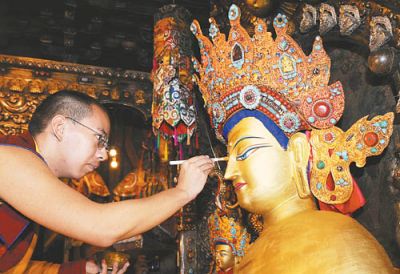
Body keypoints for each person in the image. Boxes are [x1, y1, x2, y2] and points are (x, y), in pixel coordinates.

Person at [192, 4, 397, 273]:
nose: (230, 171)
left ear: (298, 152)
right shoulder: (256, 248)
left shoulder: (338, 244)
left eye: (243, 152)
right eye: (229, 156)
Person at [0, 90, 214, 273]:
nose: (103, 155)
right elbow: (100, 226)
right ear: (60, 127)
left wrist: (79, 269)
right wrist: (182, 192)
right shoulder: (9, 158)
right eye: (100, 139)